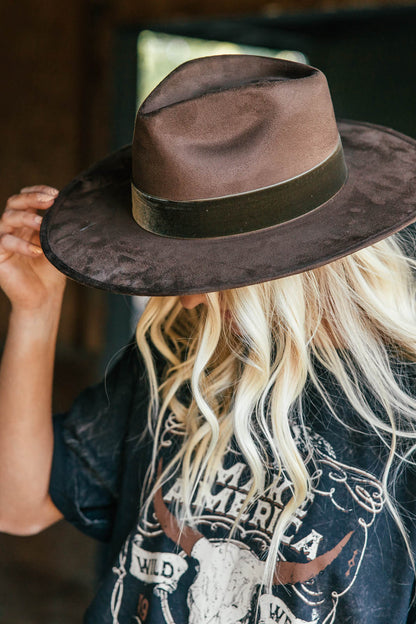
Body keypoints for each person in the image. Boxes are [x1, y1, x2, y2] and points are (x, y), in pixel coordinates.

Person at [0, 55, 416, 624]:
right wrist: (35, 310)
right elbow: (18, 506)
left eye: (195, 269)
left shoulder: (403, 417)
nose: (184, 296)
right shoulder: (183, 359)